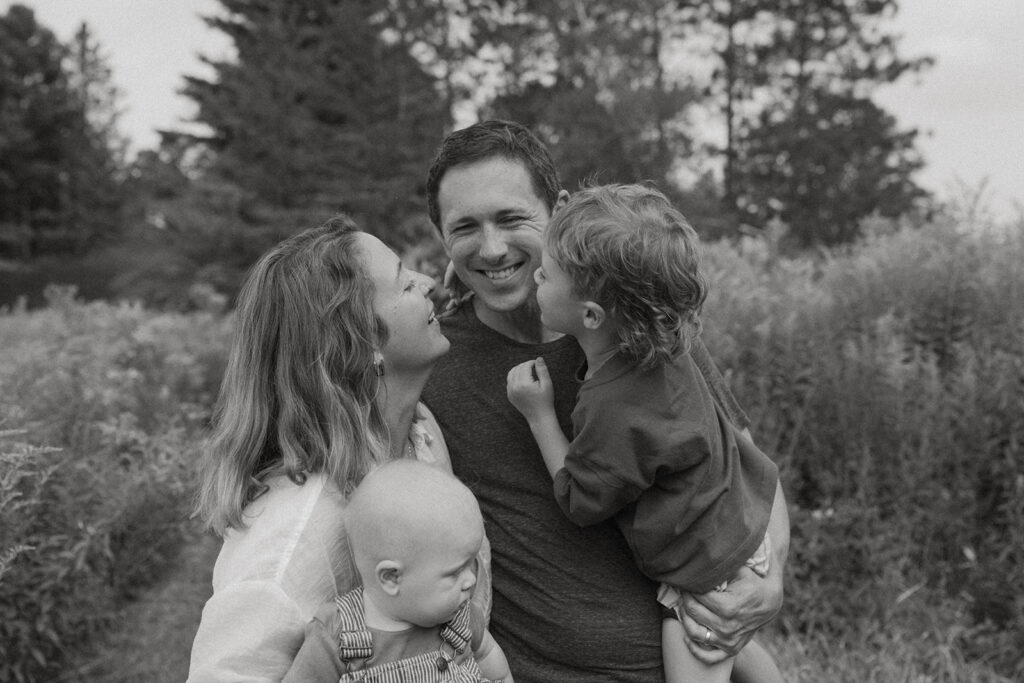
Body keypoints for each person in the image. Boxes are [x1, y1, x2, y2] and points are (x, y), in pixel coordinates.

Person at [421, 120, 790, 682]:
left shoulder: (640, 333)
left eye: (512, 218)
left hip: (683, 639)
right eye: (464, 227)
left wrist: (770, 581)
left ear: (562, 211)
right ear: (442, 239)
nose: (491, 248)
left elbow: (744, 462)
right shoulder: (434, 359)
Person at [187, 216, 491, 682]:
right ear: (363, 339)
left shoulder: (419, 435)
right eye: (403, 283)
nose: (429, 282)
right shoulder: (292, 541)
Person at [505, 183, 784, 683]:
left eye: (545, 274)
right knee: (736, 651)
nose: (535, 278)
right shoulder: (668, 343)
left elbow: (580, 500)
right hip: (735, 532)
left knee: (704, 647)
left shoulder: (614, 405)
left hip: (703, 572)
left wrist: (539, 415)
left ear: (591, 316)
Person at [283, 459, 513, 682]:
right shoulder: (338, 636)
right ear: (392, 578)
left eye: (471, 563)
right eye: (455, 573)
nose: (471, 580)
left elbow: (487, 655)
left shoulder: (460, 616)